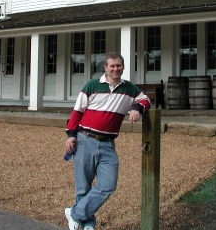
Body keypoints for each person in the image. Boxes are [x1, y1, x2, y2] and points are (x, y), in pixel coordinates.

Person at [64, 52, 151, 230]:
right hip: (85, 140)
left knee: (108, 185)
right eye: (111, 66)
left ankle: (74, 213)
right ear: (105, 68)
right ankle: (87, 223)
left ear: (123, 67)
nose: (115, 69)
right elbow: (77, 111)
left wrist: (136, 108)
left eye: (118, 65)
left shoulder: (129, 88)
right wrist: (71, 135)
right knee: (83, 187)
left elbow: (145, 99)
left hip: (108, 144)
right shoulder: (92, 85)